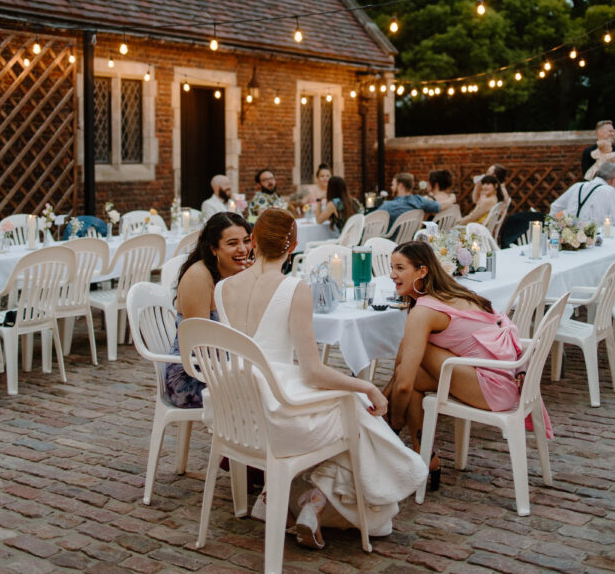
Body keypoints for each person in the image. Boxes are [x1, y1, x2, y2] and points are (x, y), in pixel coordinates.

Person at [214, 208, 427, 547]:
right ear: (294, 244)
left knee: (350, 404)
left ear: (252, 241)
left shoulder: (222, 287)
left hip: (236, 411)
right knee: (355, 406)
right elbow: (313, 372)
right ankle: (325, 503)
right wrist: (369, 385)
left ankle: (296, 501)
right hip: (275, 413)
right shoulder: (294, 288)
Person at [385, 241, 533, 490]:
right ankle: (425, 456)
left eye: (400, 268)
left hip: (496, 387)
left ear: (422, 271)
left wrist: (393, 427)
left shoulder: (424, 311)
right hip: (503, 376)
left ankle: (389, 439)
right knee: (408, 365)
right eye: (391, 267)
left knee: (409, 366)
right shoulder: (453, 293)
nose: (392, 275)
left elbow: (403, 385)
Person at [165, 212, 252, 407]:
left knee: (276, 376)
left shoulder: (234, 272)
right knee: (263, 390)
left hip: (225, 365)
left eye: (246, 241)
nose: (243, 249)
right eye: (232, 243)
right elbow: (201, 346)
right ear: (213, 248)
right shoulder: (199, 277)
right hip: (191, 376)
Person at [549, 162, 615, 226]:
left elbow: (555, 207)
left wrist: (553, 229)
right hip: (596, 239)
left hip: (570, 238)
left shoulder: (577, 186)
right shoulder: (609, 191)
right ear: (612, 179)